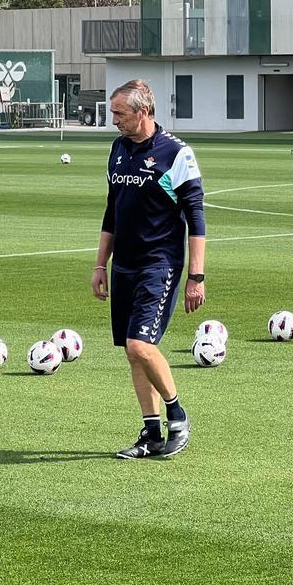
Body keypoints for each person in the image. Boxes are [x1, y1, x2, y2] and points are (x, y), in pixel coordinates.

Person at [92, 79, 206, 459]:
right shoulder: (118, 149)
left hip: (160, 265)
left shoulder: (175, 153)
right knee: (133, 350)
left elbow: (196, 218)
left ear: (143, 112)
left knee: (141, 344)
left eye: (119, 114)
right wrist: (100, 264)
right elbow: (112, 210)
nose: (114, 121)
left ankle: (178, 417)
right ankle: (152, 434)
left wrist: (196, 276)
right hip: (123, 265)